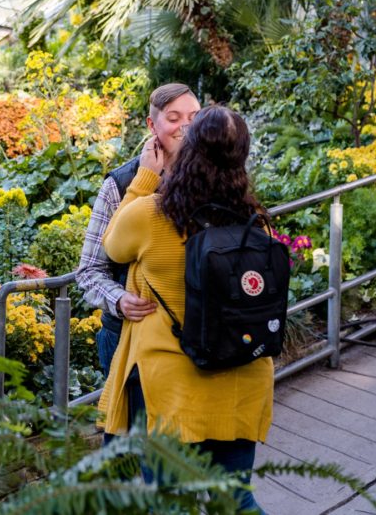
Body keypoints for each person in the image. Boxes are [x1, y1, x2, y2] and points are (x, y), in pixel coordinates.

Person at [98, 106, 273, 513]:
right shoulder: (254, 223)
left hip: (170, 387)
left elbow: (112, 246)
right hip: (240, 378)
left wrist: (144, 178)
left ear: (189, 150)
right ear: (242, 156)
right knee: (235, 498)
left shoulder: (151, 214)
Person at [76, 83, 201, 376]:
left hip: (195, 332)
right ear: (151, 124)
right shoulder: (119, 184)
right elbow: (89, 270)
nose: (185, 127)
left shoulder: (212, 177)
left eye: (194, 118)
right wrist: (118, 299)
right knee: (134, 422)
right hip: (129, 335)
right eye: (173, 118)